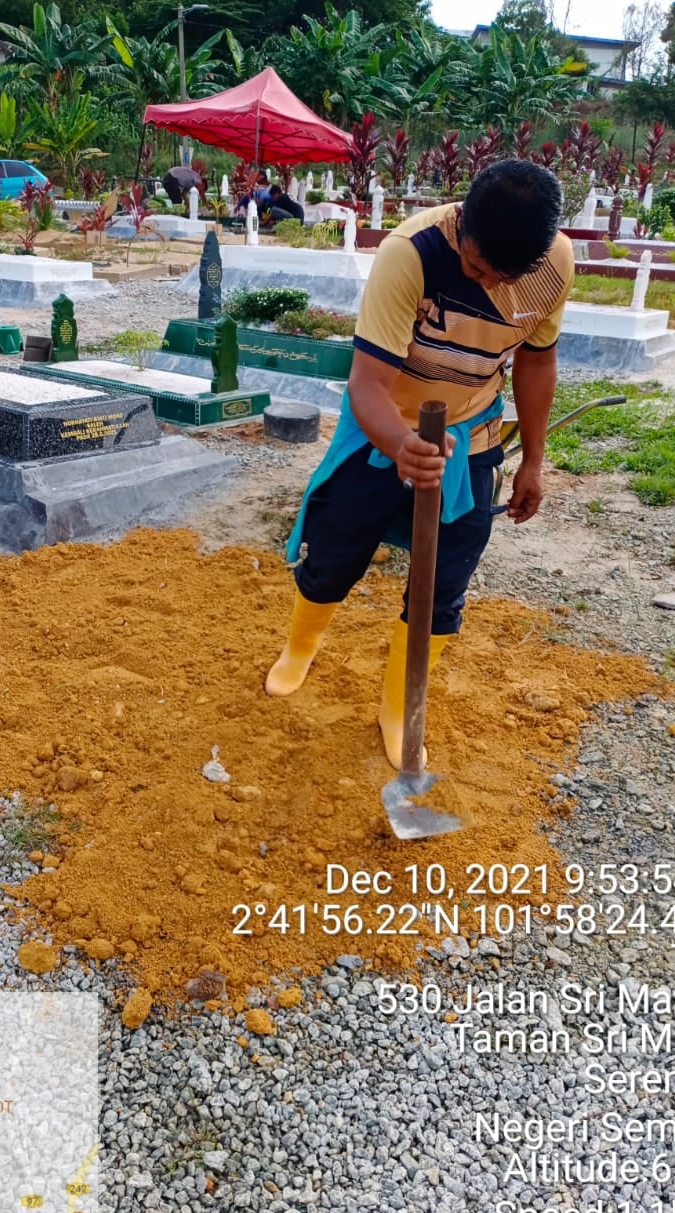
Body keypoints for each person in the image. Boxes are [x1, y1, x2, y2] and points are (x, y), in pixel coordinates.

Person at [265, 159, 574, 769]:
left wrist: (534, 460)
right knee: (335, 550)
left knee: (444, 582)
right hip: (385, 422)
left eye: (497, 275)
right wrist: (400, 444)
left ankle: (398, 705)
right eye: (473, 263)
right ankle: (299, 649)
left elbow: (537, 361)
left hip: (473, 435)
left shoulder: (554, 266)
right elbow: (366, 384)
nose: (480, 278)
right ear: (462, 221)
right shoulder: (412, 253)